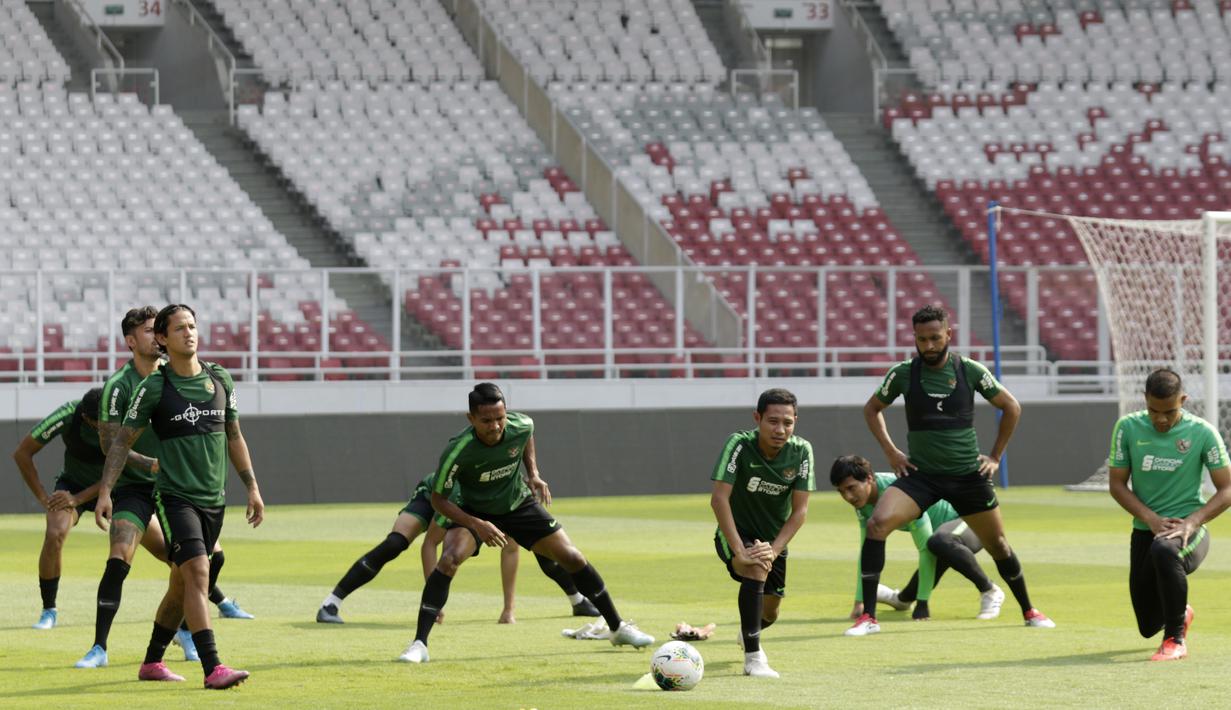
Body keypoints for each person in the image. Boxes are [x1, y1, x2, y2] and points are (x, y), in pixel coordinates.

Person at [398, 382, 653, 663]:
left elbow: (527, 436)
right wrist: (476, 524)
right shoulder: (458, 451)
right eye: (486, 421)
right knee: (449, 560)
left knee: (572, 557)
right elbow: (438, 500)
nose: (495, 426)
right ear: (470, 419)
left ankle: (617, 628)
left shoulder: (521, 425)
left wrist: (533, 472)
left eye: (500, 418)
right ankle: (419, 644)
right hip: (474, 510)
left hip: (517, 503)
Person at [848, 304, 1054, 636]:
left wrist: (995, 457)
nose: (928, 346)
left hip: (967, 477)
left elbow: (1010, 406)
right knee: (877, 524)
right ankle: (868, 618)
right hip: (921, 477)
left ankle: (1030, 610)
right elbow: (872, 409)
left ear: (948, 334)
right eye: (921, 339)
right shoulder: (903, 373)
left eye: (934, 338)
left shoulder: (969, 370)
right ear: (914, 338)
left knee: (998, 544)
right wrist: (892, 452)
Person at [95, 304, 264, 689]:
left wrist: (252, 487)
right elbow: (120, 443)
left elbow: (234, 436)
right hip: (175, 500)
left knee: (180, 585)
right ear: (162, 339)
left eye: (193, 325)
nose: (189, 333)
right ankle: (213, 667)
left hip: (213, 500)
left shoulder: (220, 378)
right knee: (198, 573)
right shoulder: (153, 387)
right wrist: (105, 491)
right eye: (179, 328)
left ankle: (152, 662)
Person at [316, 471, 599, 624]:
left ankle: (578, 602)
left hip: (468, 506)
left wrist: (508, 610)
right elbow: (430, 544)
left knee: (542, 547)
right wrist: (433, 600)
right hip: (434, 497)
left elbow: (511, 549)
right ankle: (331, 603)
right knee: (396, 543)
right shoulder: (462, 496)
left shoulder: (510, 498)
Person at [1107, 368, 1231, 661]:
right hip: (1144, 530)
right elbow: (1116, 484)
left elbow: (1226, 489)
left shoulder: (1202, 432)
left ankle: (1175, 640)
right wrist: (1149, 519)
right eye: (1153, 411)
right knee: (1147, 624)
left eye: (1170, 412)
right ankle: (1181, 612)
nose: (1161, 419)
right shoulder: (1127, 427)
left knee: (1165, 550)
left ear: (1183, 400)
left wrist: (1193, 520)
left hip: (1188, 530)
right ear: (1145, 400)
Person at [13, 388, 154, 629]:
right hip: (74, 486)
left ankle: (219, 599)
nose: (108, 428)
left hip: (116, 489)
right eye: (101, 425)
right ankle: (49, 610)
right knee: (54, 533)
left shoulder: (126, 419)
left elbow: (121, 469)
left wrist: (78, 499)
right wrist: (45, 499)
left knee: (166, 548)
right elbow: (22, 453)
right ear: (88, 420)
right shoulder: (69, 414)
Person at [709, 388, 813, 679]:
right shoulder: (739, 445)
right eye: (773, 421)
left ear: (795, 422)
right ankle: (754, 658)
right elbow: (719, 499)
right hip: (736, 533)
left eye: (788, 423)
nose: (780, 429)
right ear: (758, 418)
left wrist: (775, 549)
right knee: (755, 567)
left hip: (774, 540)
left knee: (771, 613)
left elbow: (800, 512)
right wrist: (740, 551)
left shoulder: (802, 451)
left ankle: (749, 630)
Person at [830, 454, 1003, 621]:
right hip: (941, 535)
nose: (848, 497)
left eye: (851, 488)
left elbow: (925, 550)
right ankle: (902, 599)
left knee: (940, 543)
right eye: (841, 491)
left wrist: (923, 603)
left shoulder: (898, 493)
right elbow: (866, 551)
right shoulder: (862, 500)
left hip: (970, 519)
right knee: (939, 544)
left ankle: (990, 590)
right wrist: (860, 601)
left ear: (869, 478)